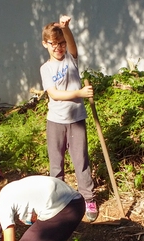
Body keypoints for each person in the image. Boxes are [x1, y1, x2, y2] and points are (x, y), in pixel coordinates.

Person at [40, 15, 99, 222]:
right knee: (56, 164)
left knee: (81, 160)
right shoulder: (45, 69)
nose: (59, 48)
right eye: (54, 44)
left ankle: (88, 199)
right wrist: (80, 93)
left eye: (62, 43)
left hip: (76, 119)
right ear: (45, 44)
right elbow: (54, 94)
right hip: (55, 121)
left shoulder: (70, 59)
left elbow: (72, 45)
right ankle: (58, 201)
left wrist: (66, 29)